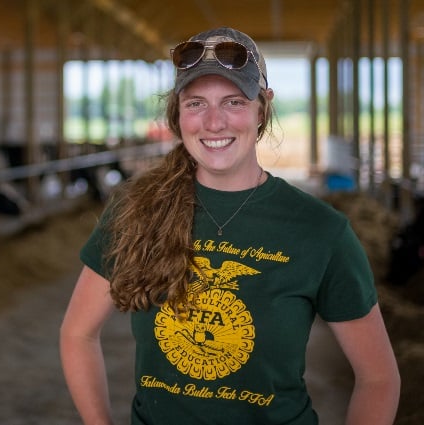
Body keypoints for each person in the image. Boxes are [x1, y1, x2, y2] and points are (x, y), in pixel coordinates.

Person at [59, 26, 400, 425]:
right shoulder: (138, 212)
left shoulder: (320, 231)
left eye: (234, 101)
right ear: (178, 111)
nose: (214, 122)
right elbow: (77, 334)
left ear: (262, 107)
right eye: (196, 103)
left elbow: (379, 378)